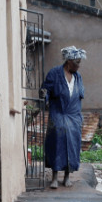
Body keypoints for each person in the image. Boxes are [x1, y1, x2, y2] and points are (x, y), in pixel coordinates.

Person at [40, 46, 86, 189]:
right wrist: (44, 96)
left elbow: (79, 97)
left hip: (73, 116)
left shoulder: (78, 77)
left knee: (72, 145)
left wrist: (79, 118)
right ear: (69, 61)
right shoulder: (55, 73)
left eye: (79, 62)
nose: (79, 65)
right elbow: (46, 90)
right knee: (56, 142)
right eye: (77, 62)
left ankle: (67, 176)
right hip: (58, 113)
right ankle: (54, 177)